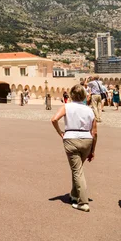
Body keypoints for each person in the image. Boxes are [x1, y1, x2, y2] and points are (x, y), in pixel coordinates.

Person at [50, 84, 97, 212]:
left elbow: (54, 119)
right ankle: (74, 195)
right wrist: (92, 150)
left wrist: (60, 132)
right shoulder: (89, 110)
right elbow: (95, 132)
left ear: (71, 95)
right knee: (77, 169)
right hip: (87, 140)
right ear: (83, 95)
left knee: (77, 171)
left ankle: (83, 202)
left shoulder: (67, 106)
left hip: (71, 138)